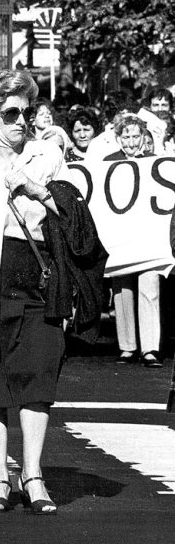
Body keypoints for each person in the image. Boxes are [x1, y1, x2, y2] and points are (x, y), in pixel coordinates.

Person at [0, 69, 104, 515]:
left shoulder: (46, 154)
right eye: (11, 113)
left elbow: (75, 215)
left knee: (37, 376)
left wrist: (34, 188)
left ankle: (33, 475)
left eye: (27, 112)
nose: (21, 121)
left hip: (38, 274)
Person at [106, 115, 162, 368]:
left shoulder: (154, 163)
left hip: (149, 236)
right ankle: (127, 346)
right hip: (120, 237)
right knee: (122, 290)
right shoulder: (108, 163)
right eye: (125, 136)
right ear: (118, 138)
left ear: (143, 137)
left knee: (149, 287)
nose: (130, 141)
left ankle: (150, 348)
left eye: (135, 136)